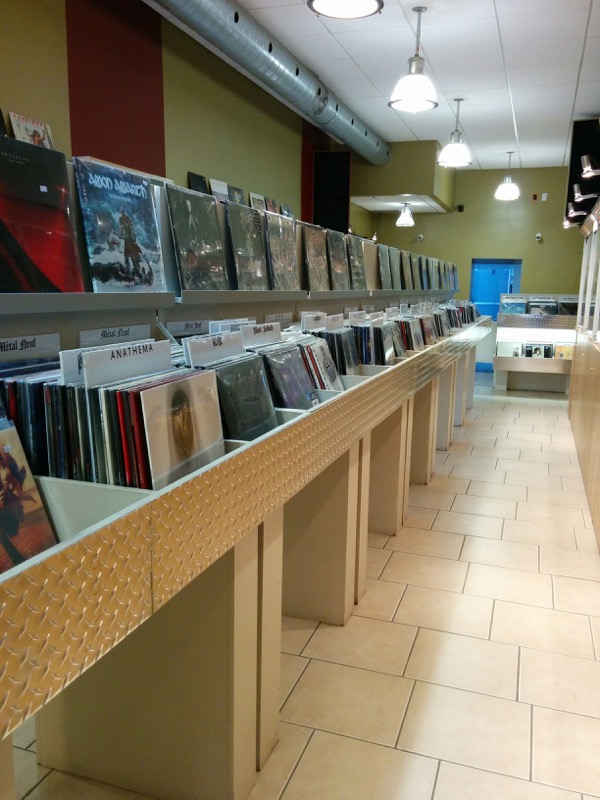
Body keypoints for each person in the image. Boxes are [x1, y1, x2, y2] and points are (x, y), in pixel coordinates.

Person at [0, 443, 28, 566]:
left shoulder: (7, 465)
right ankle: (16, 558)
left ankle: (16, 558)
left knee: (6, 531)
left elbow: (8, 454)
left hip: (4, 504)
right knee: (2, 534)